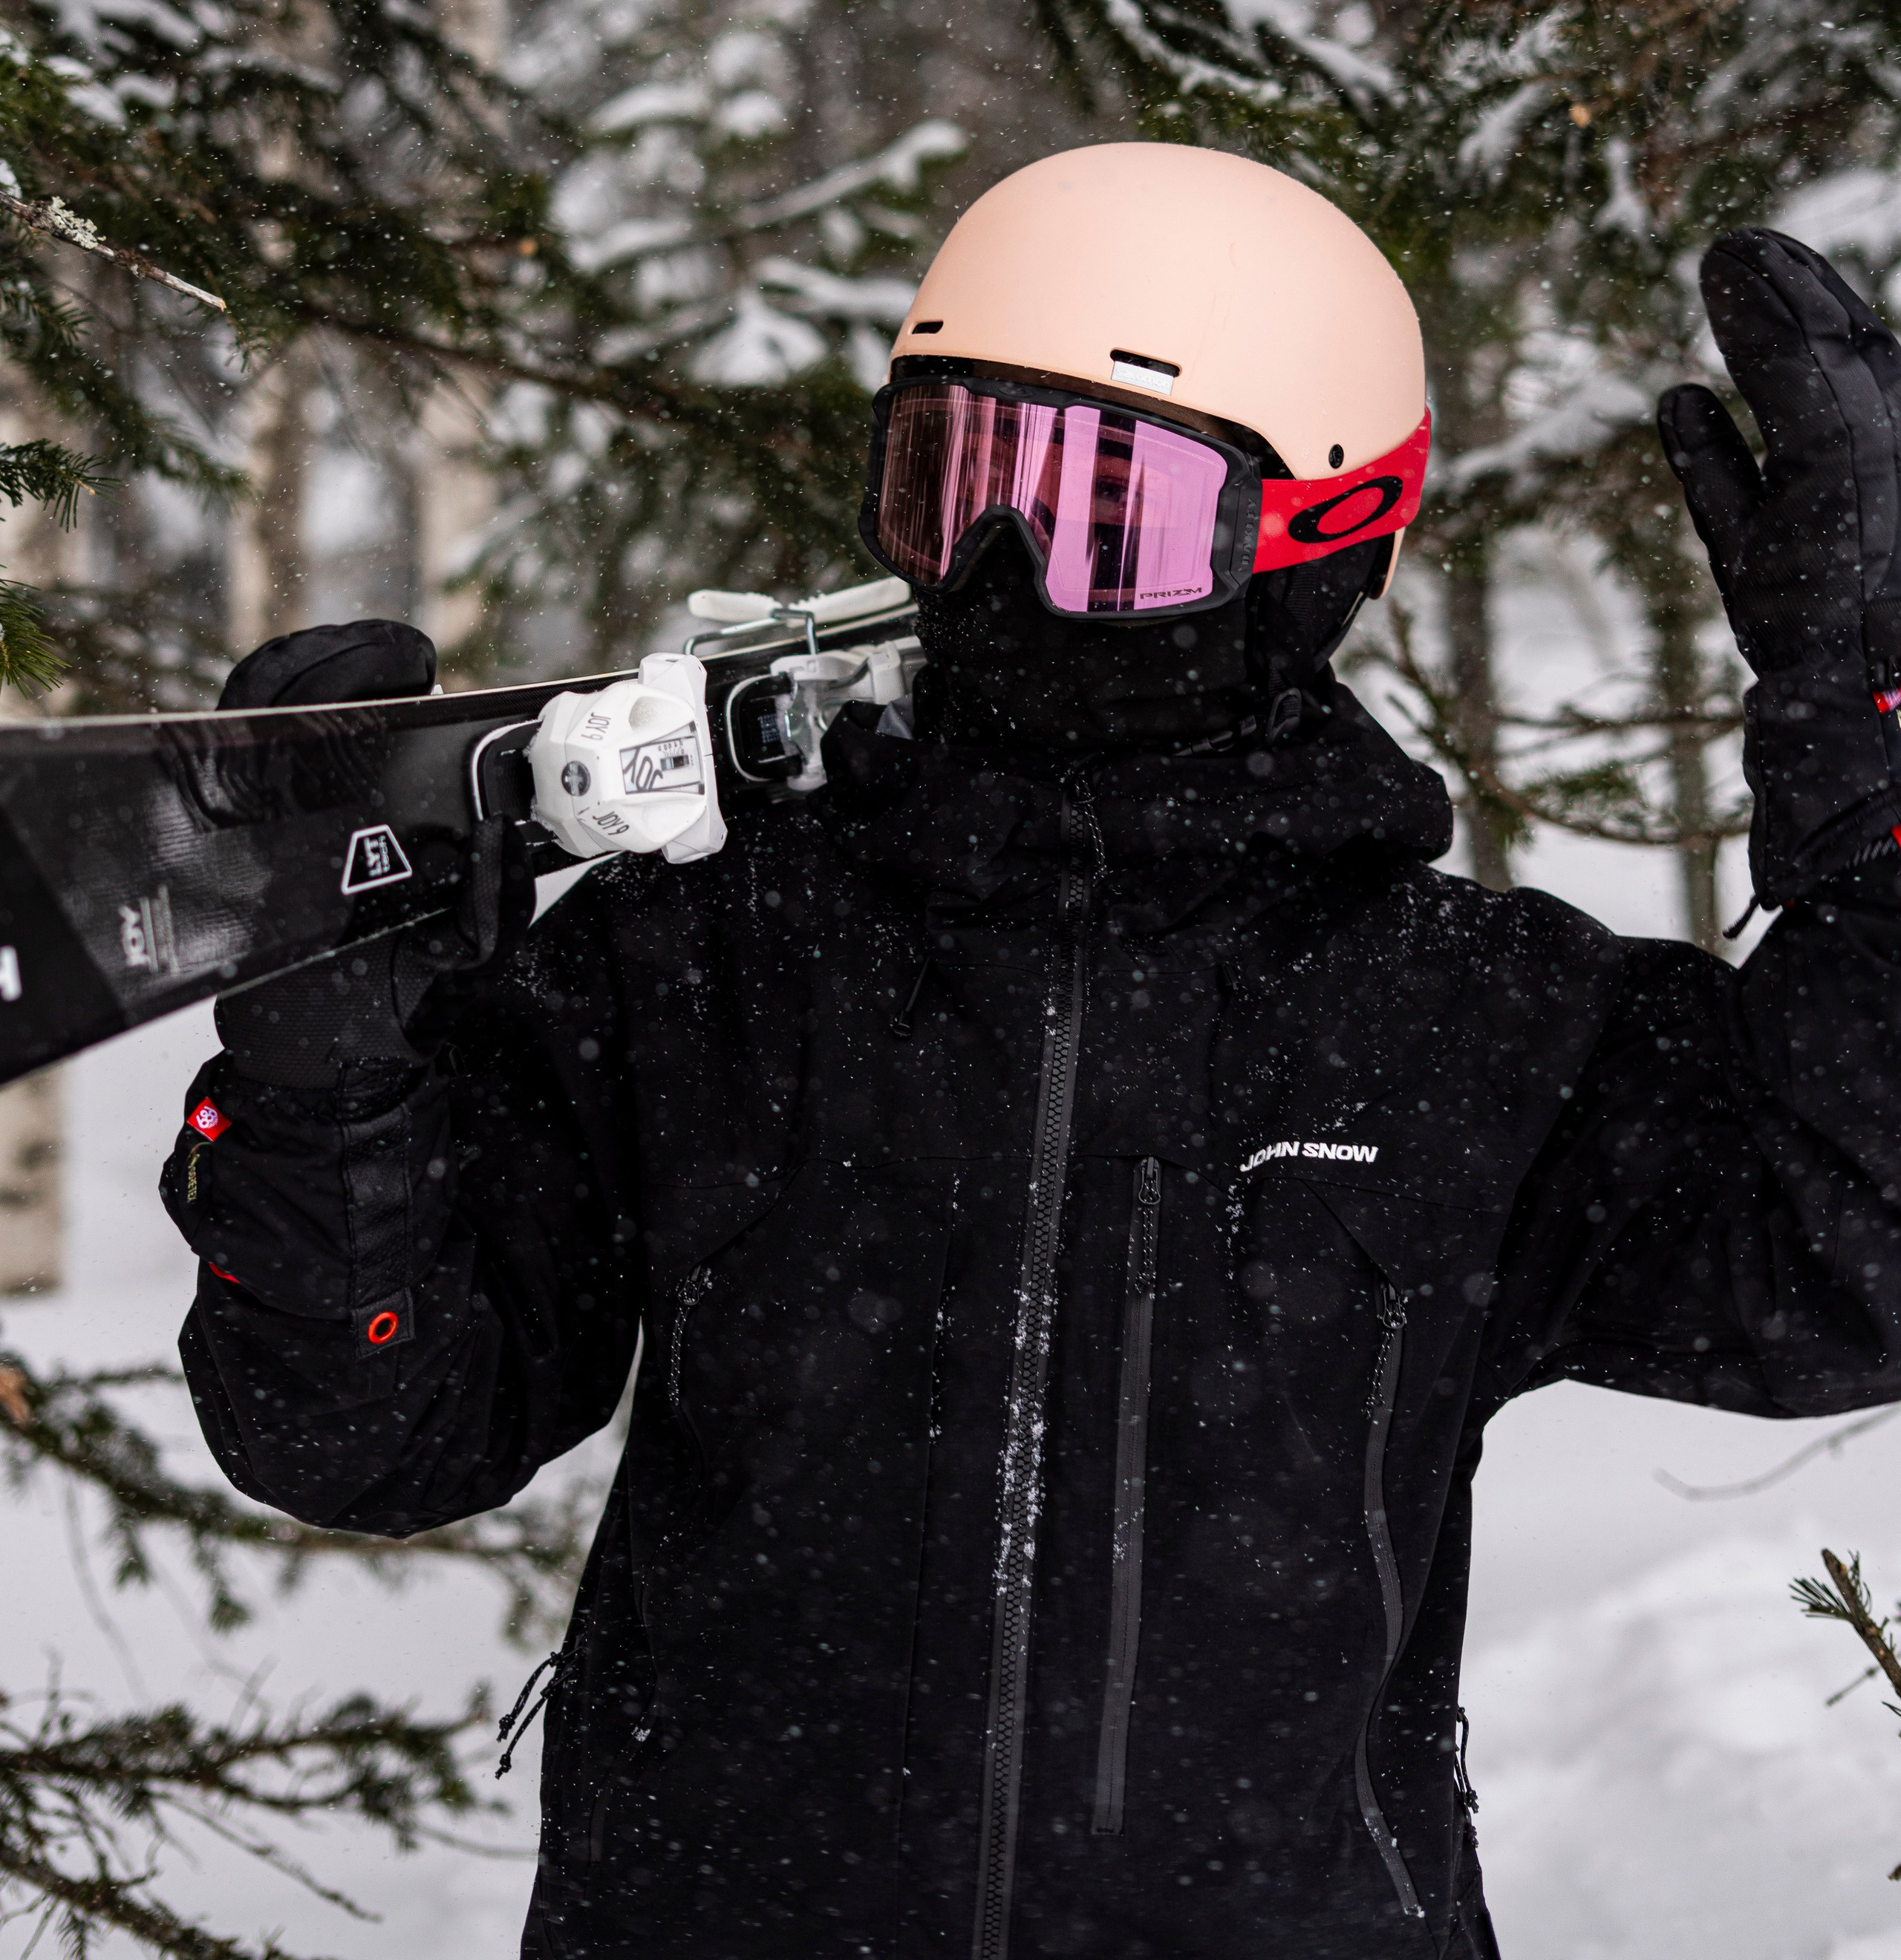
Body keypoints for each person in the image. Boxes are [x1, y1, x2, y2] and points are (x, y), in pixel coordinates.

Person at [162, 143, 1901, 1960]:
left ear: (1318, 542)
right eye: (953, 485)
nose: (997, 576)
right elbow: (361, 1431)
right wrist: (325, 1079)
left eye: (1099, 518)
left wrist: (1869, 788)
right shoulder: (708, 952)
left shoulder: (1471, 1020)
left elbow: (1846, 1265)